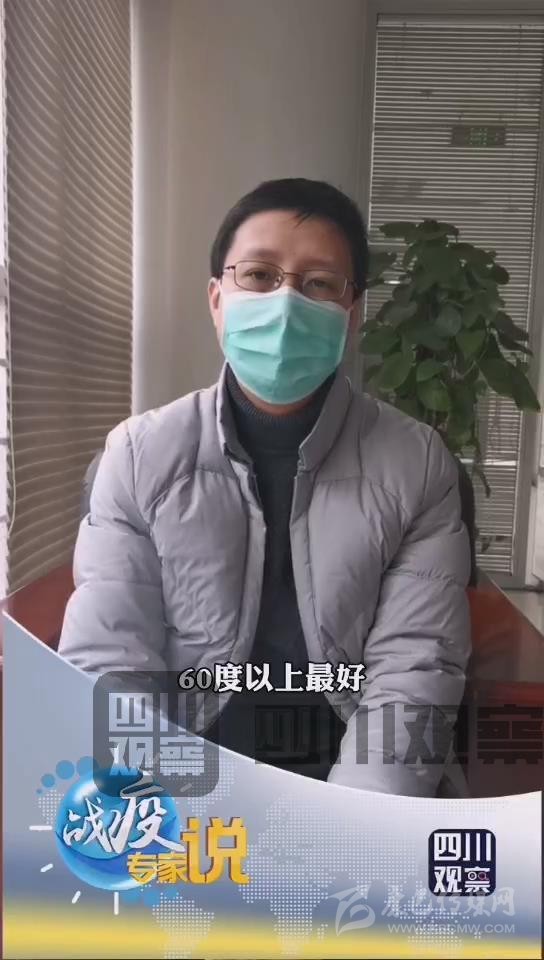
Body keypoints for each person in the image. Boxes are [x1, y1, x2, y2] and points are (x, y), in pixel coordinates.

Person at [58, 178, 471, 796]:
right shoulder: (139, 456)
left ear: (352, 313)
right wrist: (159, 809)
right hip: (185, 769)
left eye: (319, 283)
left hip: (352, 774)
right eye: (258, 275)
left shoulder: (417, 464)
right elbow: (111, 660)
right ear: (217, 298)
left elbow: (413, 670)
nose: (285, 304)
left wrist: (354, 830)